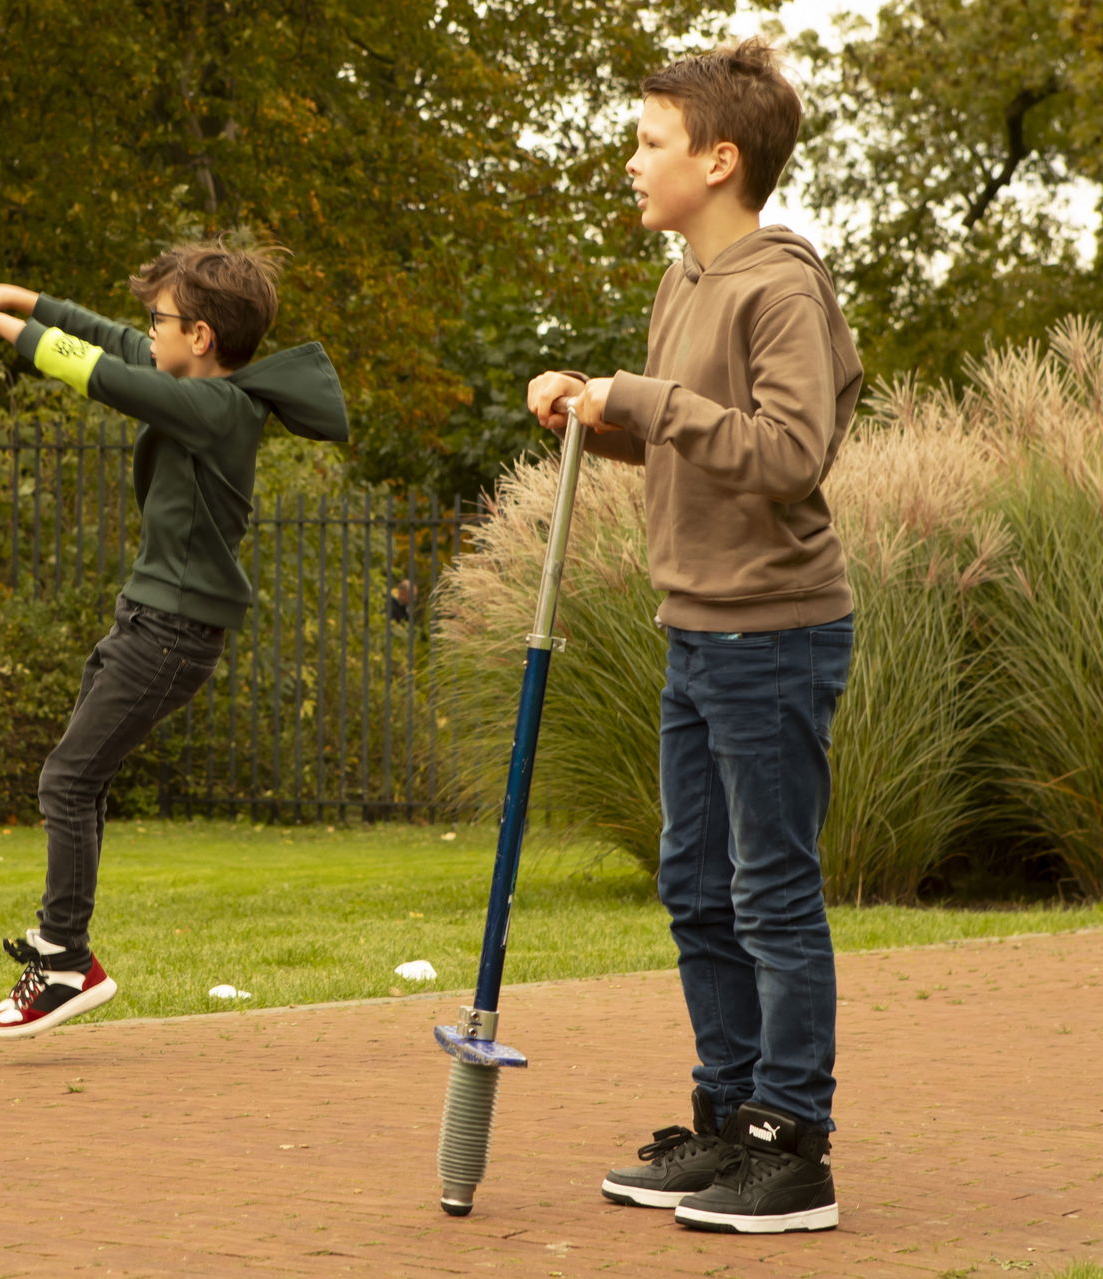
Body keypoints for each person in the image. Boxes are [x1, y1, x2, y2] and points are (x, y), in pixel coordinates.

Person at [526, 38, 863, 1235]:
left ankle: (792, 1146)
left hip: (775, 635)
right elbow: (683, 439)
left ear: (719, 160)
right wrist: (596, 410)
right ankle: (725, 1122)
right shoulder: (684, 282)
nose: (630, 161)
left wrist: (648, 397)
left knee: (770, 892)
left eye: (649, 143)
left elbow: (785, 453)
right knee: (695, 885)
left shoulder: (783, 286)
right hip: (695, 627)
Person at [0, 239, 349, 1040]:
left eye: (158, 319)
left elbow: (108, 375)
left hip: (171, 632)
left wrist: (5, 331)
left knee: (68, 780)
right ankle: (65, 957)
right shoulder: (193, 382)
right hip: (150, 621)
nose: (143, 330)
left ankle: (64, 963)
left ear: (201, 338)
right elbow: (113, 344)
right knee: (78, 782)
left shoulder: (217, 409)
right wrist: (21, 297)